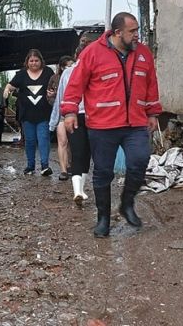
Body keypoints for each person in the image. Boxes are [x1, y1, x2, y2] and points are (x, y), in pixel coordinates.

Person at [61, 13, 162, 237]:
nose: (137, 35)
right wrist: (69, 112)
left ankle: (127, 204)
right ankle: (103, 218)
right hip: (103, 125)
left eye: (137, 30)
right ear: (117, 33)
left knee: (139, 160)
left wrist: (153, 113)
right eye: (132, 31)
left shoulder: (144, 54)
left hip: (135, 123)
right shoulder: (93, 53)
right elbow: (75, 84)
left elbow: (151, 85)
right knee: (103, 172)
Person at [49, 37, 94, 204]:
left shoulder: (68, 72)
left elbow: (61, 97)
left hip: (74, 115)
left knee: (78, 152)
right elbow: (62, 96)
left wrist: (56, 120)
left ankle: (78, 190)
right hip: (85, 115)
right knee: (84, 153)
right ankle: (79, 190)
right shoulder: (81, 71)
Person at [4, 49, 55, 176]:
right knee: (30, 140)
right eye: (31, 61)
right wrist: (7, 90)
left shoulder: (48, 72)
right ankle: (30, 166)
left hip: (44, 113)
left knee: (43, 139)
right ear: (27, 62)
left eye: (36, 60)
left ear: (41, 61)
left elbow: (55, 86)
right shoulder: (22, 74)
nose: (34, 63)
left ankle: (45, 166)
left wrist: (53, 93)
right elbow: (11, 85)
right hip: (26, 114)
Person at [47, 55, 74, 180]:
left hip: (74, 113)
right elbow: (50, 96)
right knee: (62, 141)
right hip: (61, 112)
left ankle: (71, 165)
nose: (71, 67)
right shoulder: (55, 78)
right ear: (62, 67)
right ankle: (63, 170)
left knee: (72, 143)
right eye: (68, 65)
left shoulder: (78, 75)